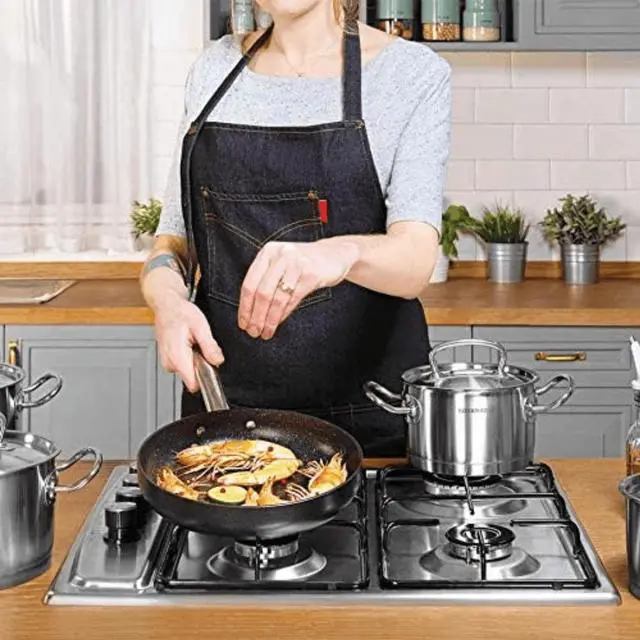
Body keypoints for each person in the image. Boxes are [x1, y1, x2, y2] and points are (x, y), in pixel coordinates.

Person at [141, 0, 451, 458]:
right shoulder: (213, 70)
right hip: (226, 415)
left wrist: (337, 254)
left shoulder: (410, 74)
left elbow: (416, 260)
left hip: (369, 420)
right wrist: (167, 302)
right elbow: (173, 242)